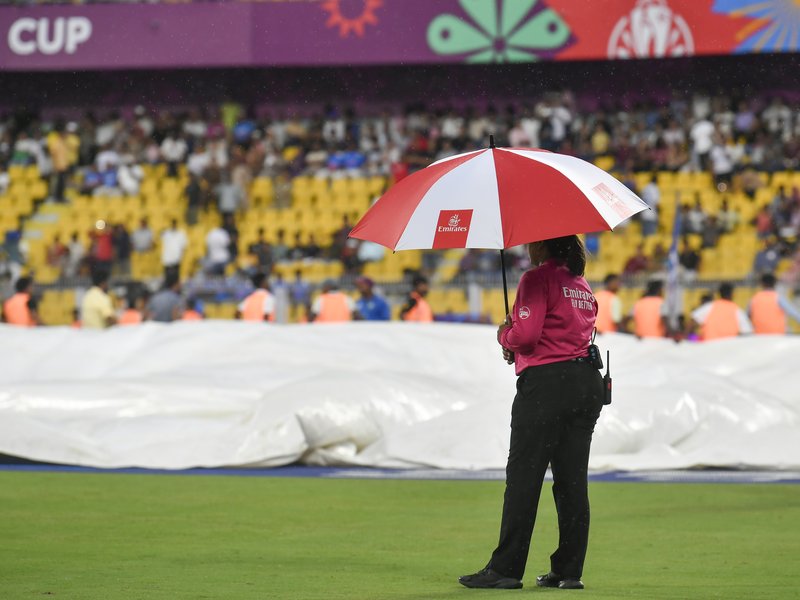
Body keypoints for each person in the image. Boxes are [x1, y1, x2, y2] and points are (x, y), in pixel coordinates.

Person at [459, 235, 603, 591]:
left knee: (524, 477)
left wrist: (505, 335)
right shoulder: (581, 286)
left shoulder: (536, 279)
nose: (526, 248)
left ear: (542, 247)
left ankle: (505, 569)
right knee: (572, 481)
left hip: (546, 386)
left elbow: (526, 337)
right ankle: (569, 570)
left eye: (531, 243)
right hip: (586, 382)